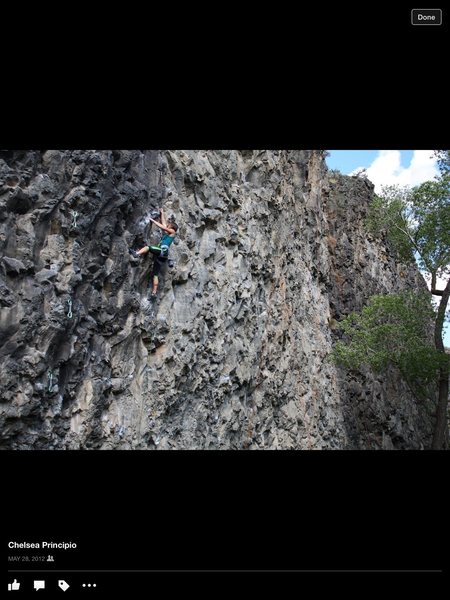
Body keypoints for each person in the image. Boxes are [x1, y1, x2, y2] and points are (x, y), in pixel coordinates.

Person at [129, 208, 178, 298]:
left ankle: (137, 253)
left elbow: (163, 227)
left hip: (162, 251)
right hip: (162, 256)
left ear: (172, 228)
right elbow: (164, 224)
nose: (167, 226)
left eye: (169, 225)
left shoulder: (173, 232)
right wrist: (162, 213)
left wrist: (152, 221)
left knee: (148, 247)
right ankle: (154, 293)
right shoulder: (168, 233)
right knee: (155, 273)